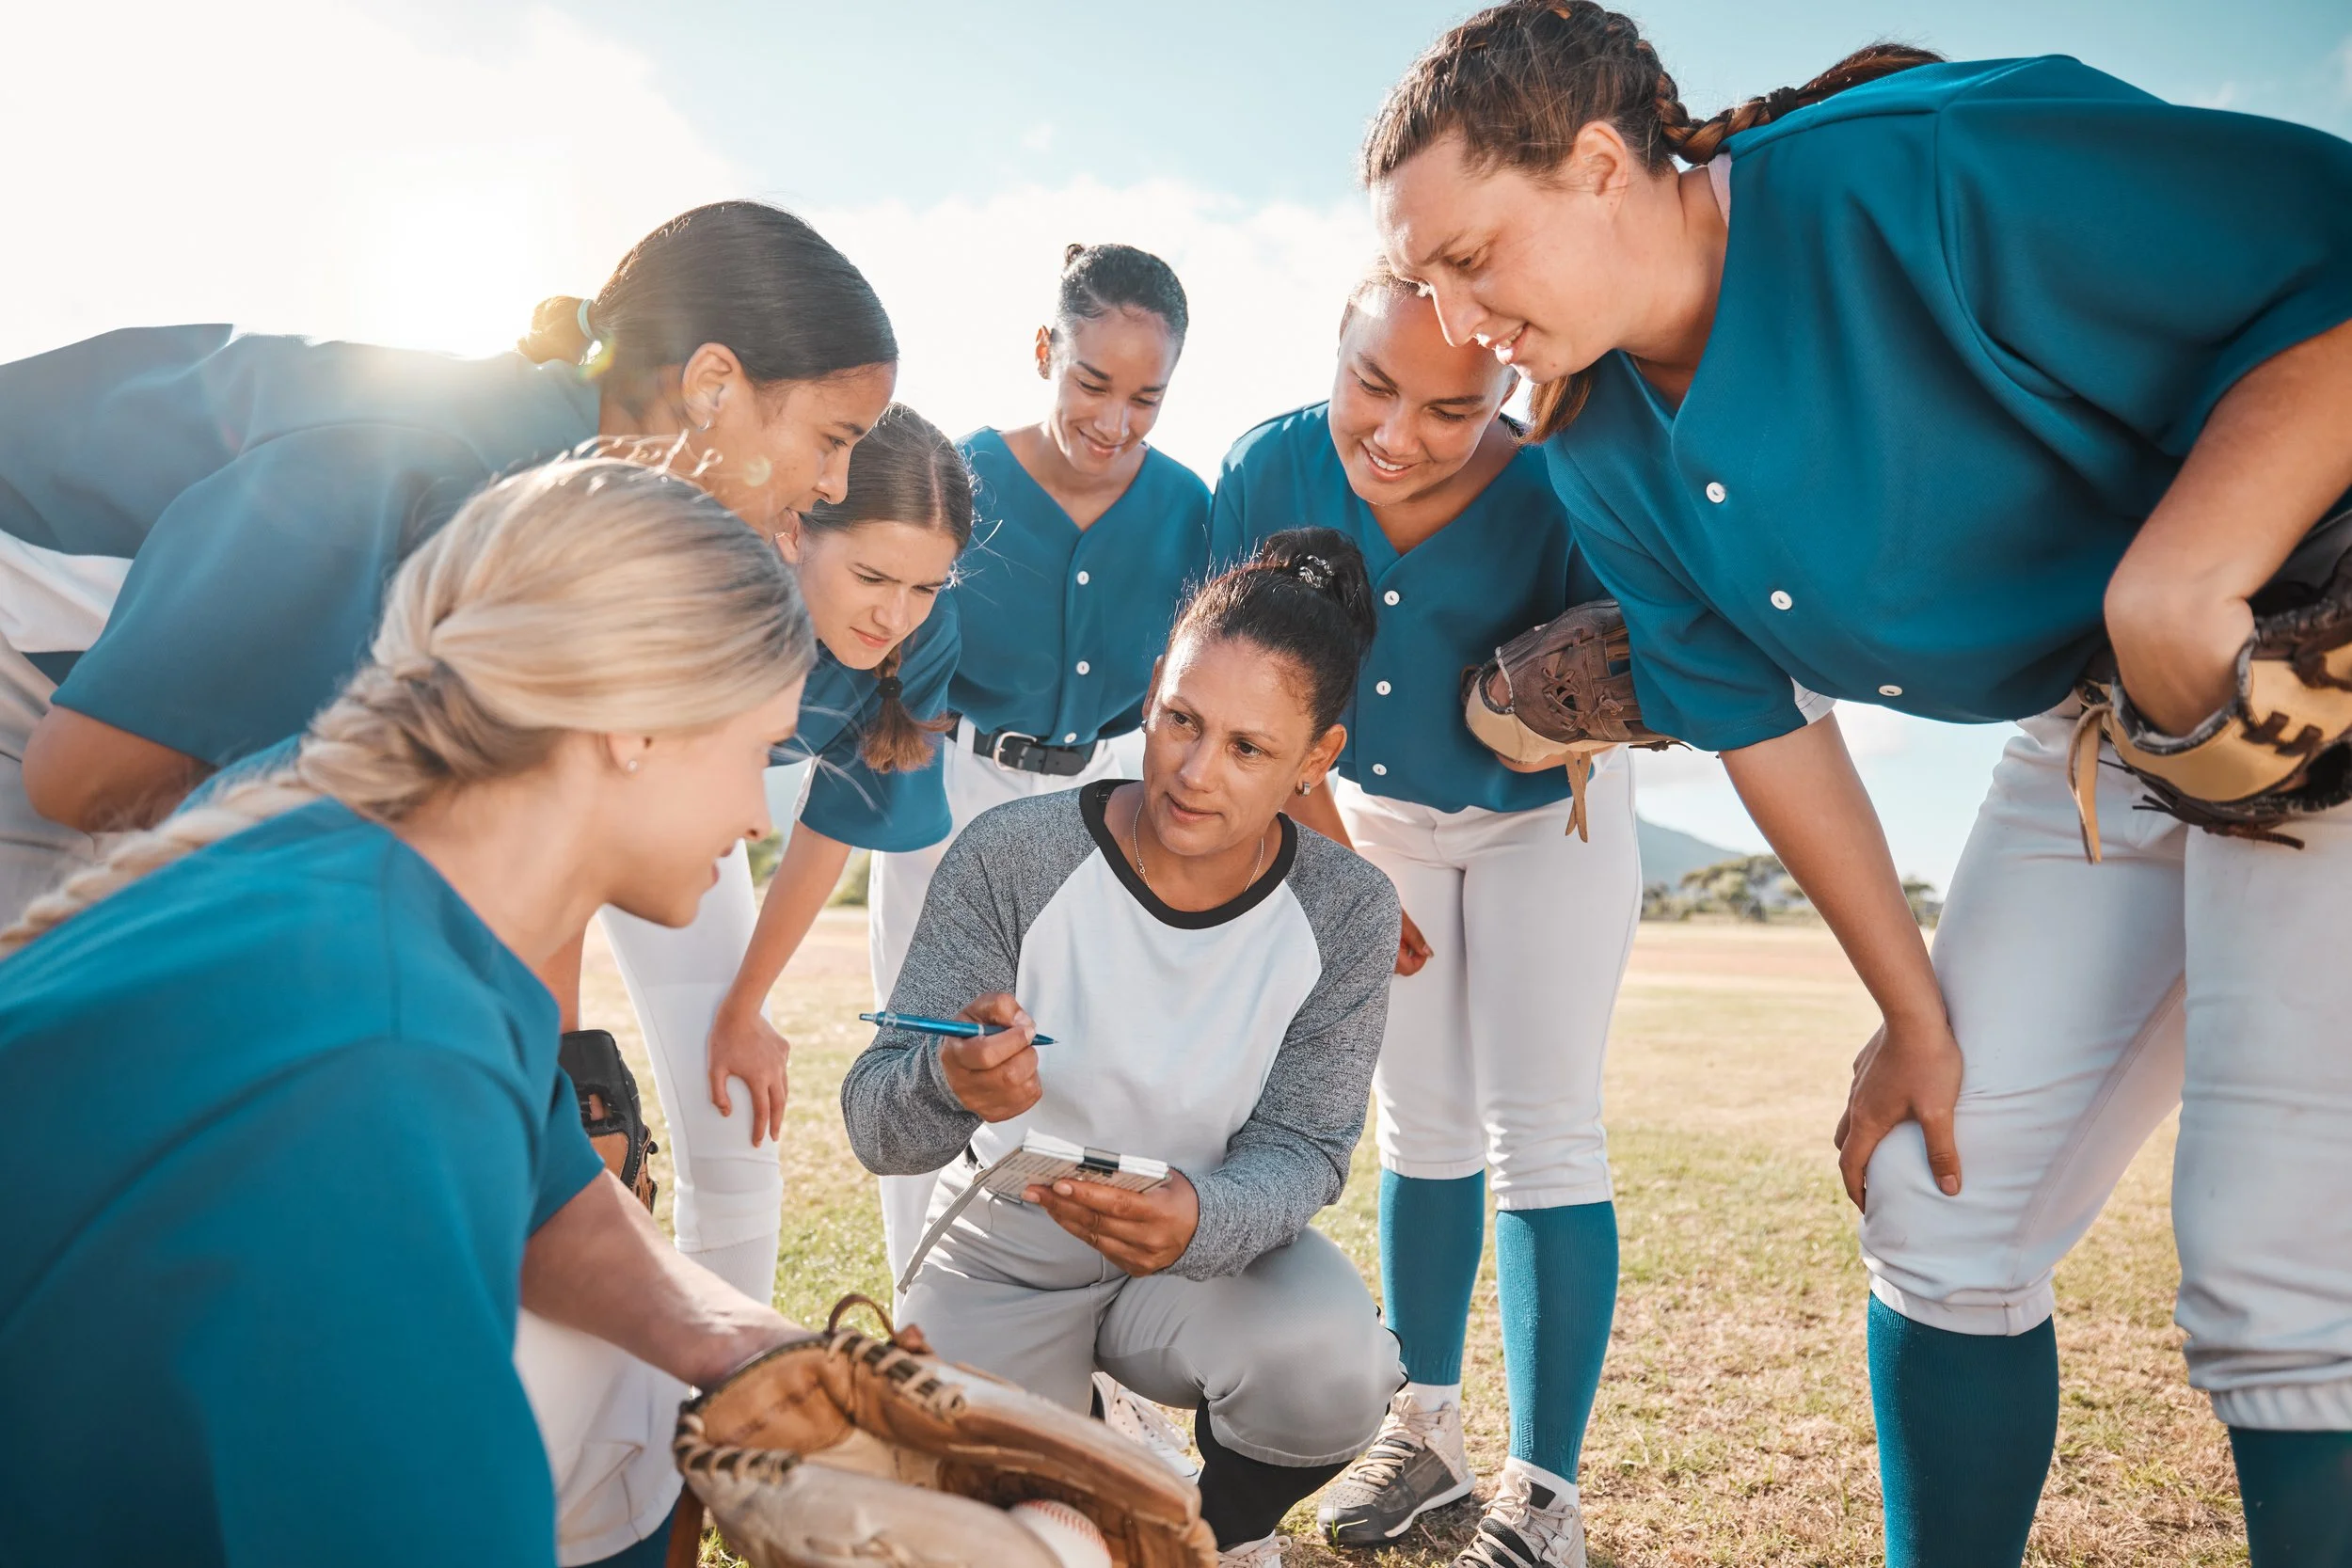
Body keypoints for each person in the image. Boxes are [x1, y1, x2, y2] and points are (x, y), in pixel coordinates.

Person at [1361, 5, 2352, 1565]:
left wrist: (2184, 584)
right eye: (1422, 281)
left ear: (1603, 164)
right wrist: (1914, 1009)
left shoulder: (1923, 166)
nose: (1453, 310)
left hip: (2316, 661)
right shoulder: (1599, 437)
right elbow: (1764, 724)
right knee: (1935, 1201)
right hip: (2110, 727)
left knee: (2282, 1277)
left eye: (1472, 256)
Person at [0, 458, 814, 1566]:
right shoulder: (387, 1050)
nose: (756, 813)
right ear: (638, 722)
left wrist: (767, 1355)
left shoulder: (375, 886)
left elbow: (557, 1202)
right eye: (758, 749)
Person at [0, 198, 897, 927]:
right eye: (833, 438)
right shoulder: (424, 466)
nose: (834, 485)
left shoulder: (558, 493)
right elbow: (83, 776)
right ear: (711, 385)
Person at [842, 530, 1406, 1568]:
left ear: (1315, 761)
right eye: (1181, 720)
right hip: (1007, 1246)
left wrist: (1204, 1215)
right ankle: (1075, 1448)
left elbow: (1307, 1144)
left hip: (1206, 1252)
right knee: (966, 1528)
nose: (1195, 772)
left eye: (1248, 748)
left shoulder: (1348, 907)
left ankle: (1201, 1536)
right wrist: (949, 1078)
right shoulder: (1012, 855)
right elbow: (876, 1120)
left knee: (1333, 1363)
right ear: (1151, 690)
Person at [1210, 270, 1650, 1561]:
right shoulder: (1271, 465)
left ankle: (1545, 1492)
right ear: (1332, 351)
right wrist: (1346, 863)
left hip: (1543, 823)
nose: (1399, 433)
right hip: (1367, 817)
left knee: (1545, 1130)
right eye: (1373, 385)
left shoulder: (1561, 480)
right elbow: (1226, 673)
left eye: (1452, 408)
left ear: (1508, 387)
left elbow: (1655, 657)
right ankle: (1428, 1427)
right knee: (1425, 1122)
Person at [864, 243, 1212, 1290]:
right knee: (928, 1063)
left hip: (1101, 795)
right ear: (1041, 352)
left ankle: (1087, 1359)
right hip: (950, 782)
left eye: (1146, 398)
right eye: (1091, 382)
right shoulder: (960, 475)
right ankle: (921, 1332)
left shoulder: (1190, 505)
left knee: (1091, 1073)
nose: (1114, 421)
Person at [590, 404, 968, 1307]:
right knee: (542, 1097)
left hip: (694, 826)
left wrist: (745, 1006)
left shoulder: (916, 639)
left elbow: (833, 820)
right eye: (875, 574)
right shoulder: (688, 579)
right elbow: (557, 806)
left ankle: (726, 1413)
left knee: (736, 1118)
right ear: (796, 526)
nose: (898, 614)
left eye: (926, 587)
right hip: (553, 807)